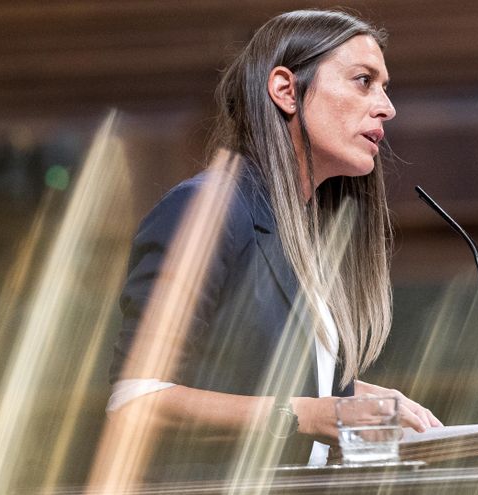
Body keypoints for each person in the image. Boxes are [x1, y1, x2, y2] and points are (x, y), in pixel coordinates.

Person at [107, 9, 441, 479]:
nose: (386, 107)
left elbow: (255, 375)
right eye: (364, 81)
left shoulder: (303, 227)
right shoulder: (206, 210)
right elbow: (135, 399)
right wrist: (304, 414)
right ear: (285, 90)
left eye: (385, 88)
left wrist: (358, 400)